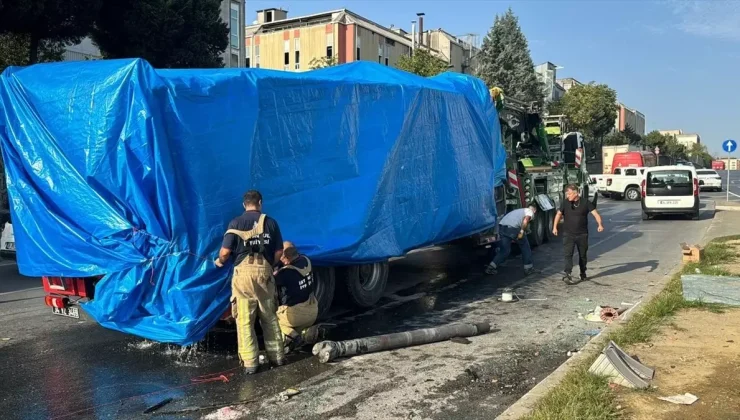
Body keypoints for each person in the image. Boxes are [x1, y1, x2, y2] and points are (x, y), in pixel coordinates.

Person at [215, 190, 285, 374]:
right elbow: (279, 252)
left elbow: (224, 253)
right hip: (265, 273)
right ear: (260, 203)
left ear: (244, 204)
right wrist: (270, 266)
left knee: (245, 320)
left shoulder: (235, 223)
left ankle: (251, 363)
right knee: (269, 317)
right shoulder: (270, 222)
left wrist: (220, 262)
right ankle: (277, 357)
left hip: (243, 275)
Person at [552, 184, 605, 284]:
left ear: (576, 193)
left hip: (582, 234)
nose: (568, 196)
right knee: (568, 255)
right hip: (568, 234)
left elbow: (595, 214)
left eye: (569, 194)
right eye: (567, 194)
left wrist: (600, 224)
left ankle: (583, 272)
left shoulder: (585, 202)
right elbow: (559, 214)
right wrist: (554, 227)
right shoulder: (565, 203)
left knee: (582, 255)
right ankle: (567, 274)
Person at [273, 241, 320, 353]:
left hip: (296, 315)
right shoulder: (306, 260)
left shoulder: (285, 273)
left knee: (269, 319)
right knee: (295, 324)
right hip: (313, 309)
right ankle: (305, 333)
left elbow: (268, 282)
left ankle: (294, 337)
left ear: (285, 257)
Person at [485, 205, 537, 275]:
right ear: (534, 211)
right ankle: (528, 268)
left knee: (504, 250)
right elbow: (526, 220)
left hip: (502, 227)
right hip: (513, 228)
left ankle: (491, 267)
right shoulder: (530, 211)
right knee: (525, 247)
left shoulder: (519, 211)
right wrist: (521, 231)